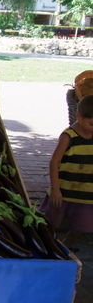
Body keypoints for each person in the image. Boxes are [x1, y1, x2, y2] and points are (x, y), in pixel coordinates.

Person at [42, 94, 93, 248]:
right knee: (52, 222)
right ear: (78, 117)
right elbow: (54, 163)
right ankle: (47, 244)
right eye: (91, 124)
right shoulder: (68, 136)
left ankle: (65, 247)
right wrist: (55, 189)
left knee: (83, 226)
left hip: (87, 194)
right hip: (64, 191)